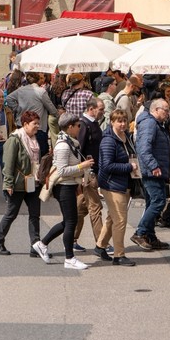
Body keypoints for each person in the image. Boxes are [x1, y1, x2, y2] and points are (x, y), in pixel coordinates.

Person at [32, 115, 94, 270]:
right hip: (64, 187)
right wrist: (82, 166)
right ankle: (69, 258)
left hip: (70, 185)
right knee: (71, 221)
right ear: (70, 127)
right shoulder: (63, 146)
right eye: (78, 126)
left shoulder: (70, 143)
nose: (80, 129)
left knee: (68, 221)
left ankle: (42, 244)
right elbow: (62, 170)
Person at [0, 111, 44, 256]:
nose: (37, 127)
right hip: (17, 183)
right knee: (11, 214)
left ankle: (35, 246)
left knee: (35, 214)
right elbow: (7, 163)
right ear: (25, 124)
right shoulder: (14, 140)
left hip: (33, 182)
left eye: (38, 123)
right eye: (35, 124)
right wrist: (8, 183)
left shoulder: (34, 139)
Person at [96, 109, 139, 266]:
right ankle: (118, 255)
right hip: (112, 184)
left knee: (112, 218)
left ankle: (100, 246)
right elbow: (107, 166)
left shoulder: (126, 137)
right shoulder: (108, 140)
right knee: (120, 220)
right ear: (112, 122)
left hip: (123, 183)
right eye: (119, 121)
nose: (122, 124)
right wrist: (128, 167)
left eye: (124, 121)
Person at [130, 99, 170, 251]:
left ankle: (150, 235)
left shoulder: (155, 124)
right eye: (165, 110)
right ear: (156, 109)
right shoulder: (150, 123)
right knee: (158, 202)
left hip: (155, 169)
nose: (168, 114)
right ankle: (140, 232)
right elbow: (144, 148)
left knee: (151, 203)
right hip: (153, 170)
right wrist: (153, 165)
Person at [76, 98, 105, 252]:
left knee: (81, 208)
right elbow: (79, 148)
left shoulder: (93, 123)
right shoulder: (85, 124)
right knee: (95, 207)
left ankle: (72, 238)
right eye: (101, 109)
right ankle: (102, 243)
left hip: (92, 170)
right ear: (91, 108)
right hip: (88, 172)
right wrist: (82, 172)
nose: (103, 112)